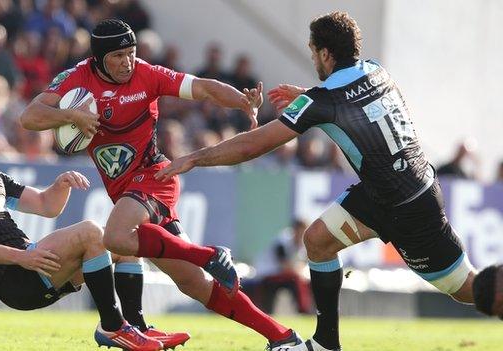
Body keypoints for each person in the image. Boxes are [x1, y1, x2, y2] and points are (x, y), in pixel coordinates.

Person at [156, 11, 479, 351]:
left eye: (313, 52)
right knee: (318, 241)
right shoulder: (375, 70)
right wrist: (311, 96)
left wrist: (195, 158)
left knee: (466, 289)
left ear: (326, 54)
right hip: (389, 192)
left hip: (409, 208)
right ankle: (326, 343)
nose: (312, 59)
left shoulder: (322, 102)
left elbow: (254, 144)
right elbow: (352, 104)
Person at [20, 18, 303, 351]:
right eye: (118, 56)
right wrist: (72, 116)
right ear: (99, 59)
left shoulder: (147, 74)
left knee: (115, 236)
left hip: (156, 178)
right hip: (126, 190)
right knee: (194, 283)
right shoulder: (76, 78)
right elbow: (30, 116)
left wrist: (242, 101)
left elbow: (203, 87)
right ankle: (282, 336)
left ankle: (209, 255)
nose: (127, 62)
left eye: (131, 52)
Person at [0, 117, 163, 351]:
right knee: (90, 231)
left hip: (34, 265)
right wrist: (21, 257)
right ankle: (112, 326)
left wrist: (61, 185)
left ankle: (137, 328)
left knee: (123, 243)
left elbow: (46, 205)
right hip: (14, 277)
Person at [250, 219, 313, 315]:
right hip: (268, 273)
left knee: (301, 281)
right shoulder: (282, 241)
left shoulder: (304, 243)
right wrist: (299, 271)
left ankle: (304, 313)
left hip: (285, 276)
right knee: (296, 280)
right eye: (299, 232)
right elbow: (285, 266)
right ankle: (303, 312)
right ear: (294, 230)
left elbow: (301, 265)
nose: (301, 236)